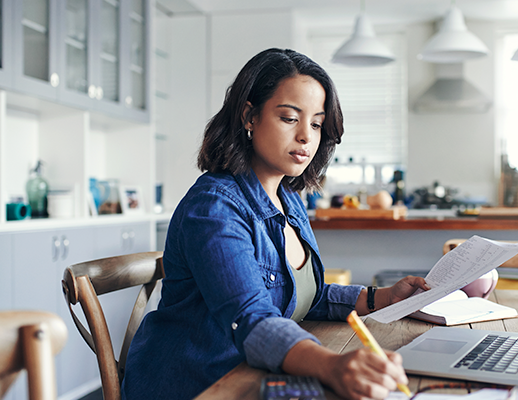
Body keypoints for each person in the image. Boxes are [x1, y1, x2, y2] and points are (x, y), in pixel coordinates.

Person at [121, 48, 429, 400]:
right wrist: (332, 366)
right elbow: (252, 317)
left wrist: (382, 298)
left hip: (252, 376)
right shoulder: (213, 208)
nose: (306, 136)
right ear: (249, 116)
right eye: (289, 118)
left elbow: (301, 298)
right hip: (197, 385)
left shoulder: (290, 200)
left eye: (315, 123)